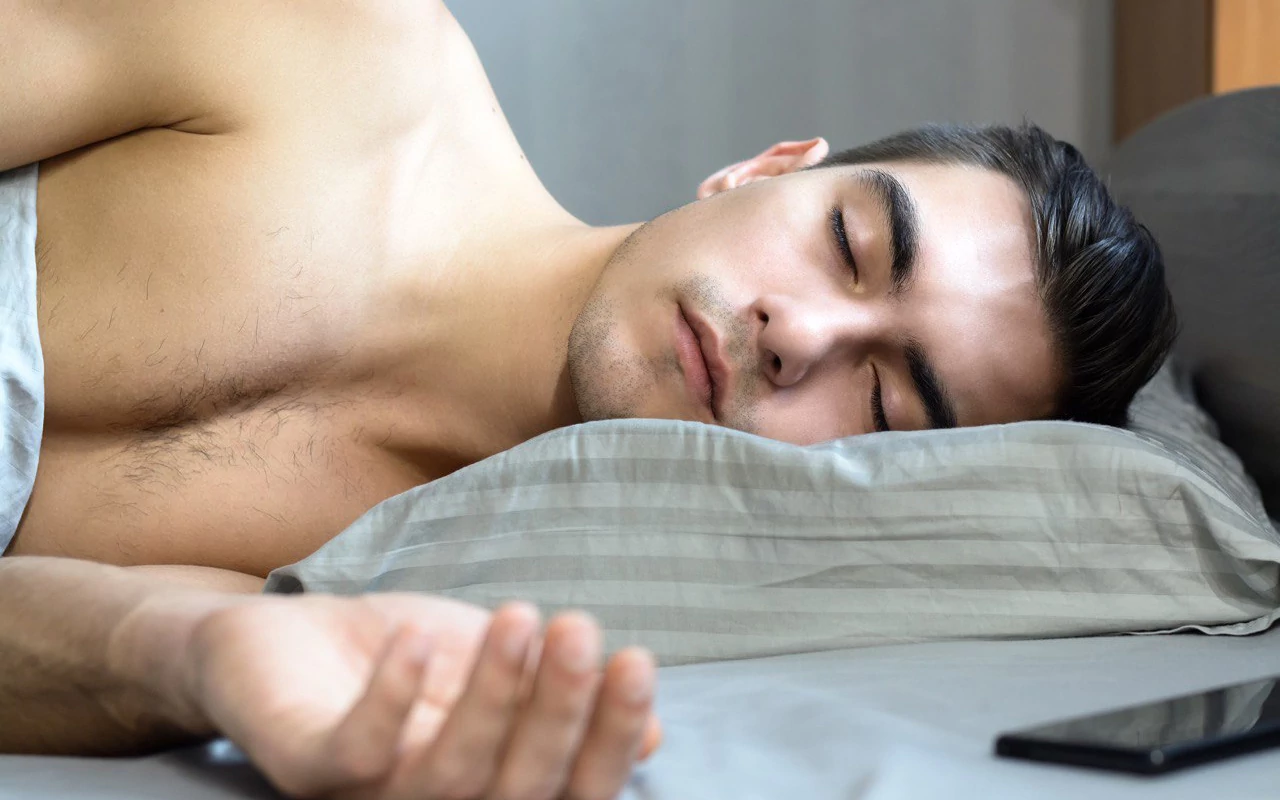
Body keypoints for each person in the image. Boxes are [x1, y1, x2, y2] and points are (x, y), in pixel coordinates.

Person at [0, 1, 1176, 798]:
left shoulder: (393, 586)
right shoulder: (333, 53)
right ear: (764, 167)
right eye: (848, 244)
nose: (800, 336)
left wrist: (193, 655)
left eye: (882, 401)